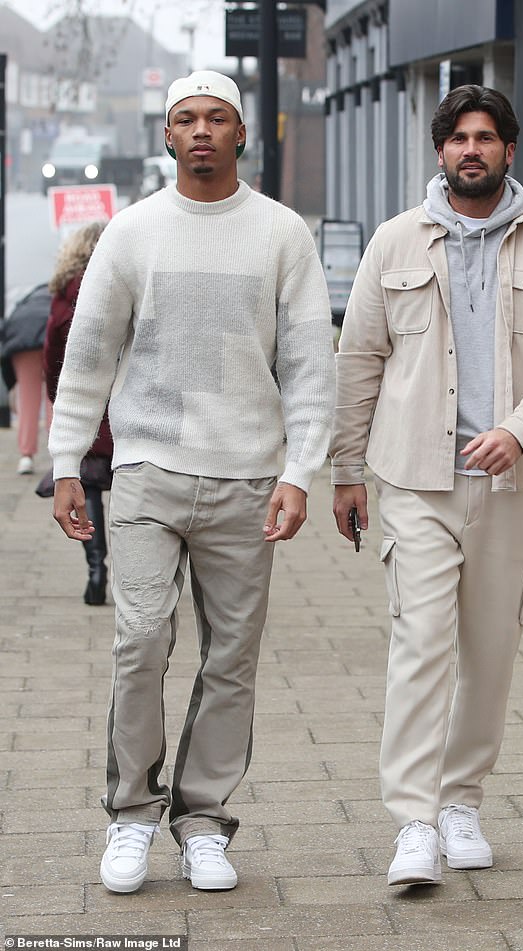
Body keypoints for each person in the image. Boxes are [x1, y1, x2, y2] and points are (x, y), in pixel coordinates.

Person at [48, 70, 335, 894]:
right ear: (167, 136)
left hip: (248, 476)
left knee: (232, 658)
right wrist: (68, 462)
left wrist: (302, 471)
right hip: (146, 470)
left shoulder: (282, 234)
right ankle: (132, 815)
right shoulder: (134, 233)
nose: (202, 130)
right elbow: (89, 354)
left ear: (241, 134)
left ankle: (203, 819)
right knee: (141, 640)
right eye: (186, 118)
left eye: (217, 117)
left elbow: (311, 362)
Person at [331, 85, 523, 887]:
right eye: (458, 138)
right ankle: (413, 818)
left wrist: (519, 428)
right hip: (414, 478)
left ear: (509, 151)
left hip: (511, 485)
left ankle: (460, 802)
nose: (471, 149)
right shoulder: (393, 243)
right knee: (420, 644)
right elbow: (359, 359)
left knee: (490, 649)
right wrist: (345, 468)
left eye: (486, 137)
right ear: (440, 151)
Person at [44, 221, 112, 606]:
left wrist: (60, 401)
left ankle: (96, 567)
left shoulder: (63, 294)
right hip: (124, 406)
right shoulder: (119, 284)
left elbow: (53, 356)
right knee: (135, 487)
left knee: (89, 491)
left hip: (87, 411)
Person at [0, 284, 53, 474]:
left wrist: (11, 384)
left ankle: (26, 457)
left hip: (21, 347)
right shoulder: (55, 297)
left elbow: (7, 335)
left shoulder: (24, 304)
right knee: (52, 398)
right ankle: (57, 454)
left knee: (27, 401)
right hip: (48, 340)